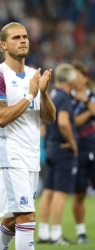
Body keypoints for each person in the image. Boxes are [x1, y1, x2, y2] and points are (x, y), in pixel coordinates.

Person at [0, 22, 56, 250]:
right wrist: (30, 94)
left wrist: (43, 94)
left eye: (25, 36)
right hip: (10, 156)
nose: (23, 40)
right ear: (3, 45)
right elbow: (1, 117)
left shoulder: (35, 74)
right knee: (26, 218)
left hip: (31, 157)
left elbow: (50, 117)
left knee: (13, 221)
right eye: (16, 38)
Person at [37, 63, 78, 245]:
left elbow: (44, 123)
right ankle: (55, 234)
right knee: (60, 193)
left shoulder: (52, 94)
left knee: (48, 191)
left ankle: (44, 232)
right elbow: (63, 122)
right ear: (70, 79)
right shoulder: (65, 97)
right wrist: (72, 143)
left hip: (50, 147)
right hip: (62, 149)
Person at [70, 63, 95, 244]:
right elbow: (72, 123)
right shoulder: (67, 99)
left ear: (86, 78)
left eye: (78, 76)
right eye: (73, 77)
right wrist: (88, 113)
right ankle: (81, 232)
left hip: (93, 148)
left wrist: (86, 103)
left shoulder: (91, 97)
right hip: (77, 151)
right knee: (79, 193)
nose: (75, 80)